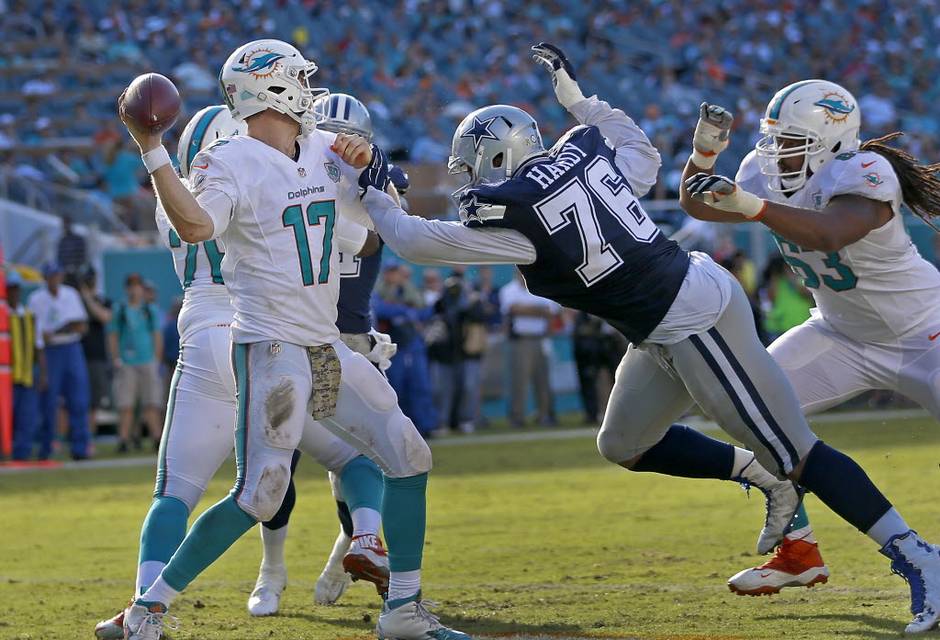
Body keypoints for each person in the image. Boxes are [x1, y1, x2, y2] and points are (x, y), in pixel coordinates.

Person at [358, 43, 940, 635]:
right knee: (626, 443)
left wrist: (371, 186)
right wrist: (585, 104)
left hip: (696, 315)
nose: (468, 176)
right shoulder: (587, 162)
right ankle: (767, 481)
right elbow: (639, 150)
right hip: (679, 321)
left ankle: (917, 556)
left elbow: (416, 241)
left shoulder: (516, 219)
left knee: (793, 450)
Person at [116, 40, 466, 640]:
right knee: (259, 494)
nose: (311, 91)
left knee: (409, 455)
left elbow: (384, 229)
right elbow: (198, 224)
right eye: (300, 80)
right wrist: (151, 150)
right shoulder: (228, 161)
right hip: (269, 346)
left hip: (323, 343)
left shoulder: (329, 149)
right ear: (272, 88)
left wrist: (374, 172)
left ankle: (403, 611)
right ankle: (147, 611)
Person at [95, 103, 389, 639]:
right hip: (265, 336)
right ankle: (368, 537)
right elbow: (364, 242)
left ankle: (144, 610)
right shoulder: (254, 178)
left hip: (203, 340)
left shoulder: (174, 197)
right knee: (356, 456)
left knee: (173, 494)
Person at [681, 79, 940, 614]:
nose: (778, 154)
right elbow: (700, 206)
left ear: (832, 138)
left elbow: (829, 234)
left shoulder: (866, 171)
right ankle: (798, 551)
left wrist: (750, 206)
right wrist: (703, 154)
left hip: (926, 332)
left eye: (792, 141)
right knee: (752, 418)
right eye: (774, 139)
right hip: (840, 334)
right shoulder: (759, 170)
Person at [249, 92, 402, 614]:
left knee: (355, 468)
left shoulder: (377, 184)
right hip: (291, 332)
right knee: (274, 463)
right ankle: (271, 570)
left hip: (349, 339)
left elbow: (393, 208)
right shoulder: (288, 175)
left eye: (348, 140)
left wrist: (370, 175)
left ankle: (344, 551)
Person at [27, 262, 90, 460]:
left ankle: (80, 448)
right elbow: (39, 336)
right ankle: (46, 448)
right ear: (45, 278)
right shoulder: (36, 299)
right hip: (50, 352)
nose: (55, 279)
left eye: (57, 275)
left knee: (78, 399)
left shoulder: (70, 294)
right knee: (48, 401)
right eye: (51, 276)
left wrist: (59, 329)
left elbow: (80, 326)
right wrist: (63, 328)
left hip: (71, 348)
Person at [107, 273, 164, 453]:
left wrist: (156, 359)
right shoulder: (120, 309)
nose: (134, 289)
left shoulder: (149, 310)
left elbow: (157, 336)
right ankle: (124, 440)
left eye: (137, 285)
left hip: (147, 361)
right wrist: (116, 358)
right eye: (131, 286)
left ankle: (157, 439)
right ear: (126, 289)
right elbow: (113, 335)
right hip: (127, 362)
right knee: (126, 404)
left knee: (152, 403)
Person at [499, 270, 559, 427]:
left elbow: (551, 312)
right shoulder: (508, 290)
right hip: (520, 340)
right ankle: (517, 417)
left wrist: (526, 309)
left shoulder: (541, 287)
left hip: (540, 338)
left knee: (543, 380)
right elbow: (513, 309)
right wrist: (539, 310)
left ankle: (545, 415)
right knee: (519, 381)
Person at [7, 269, 46, 461]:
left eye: (15, 289)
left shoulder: (29, 316)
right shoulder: (4, 315)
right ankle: (6, 453)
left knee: (27, 418)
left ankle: (21, 455)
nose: (13, 293)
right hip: (7, 377)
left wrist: (43, 374)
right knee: (7, 418)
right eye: (9, 289)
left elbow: (38, 346)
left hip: (27, 374)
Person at [77, 265, 112, 445]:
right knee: (77, 401)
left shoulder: (101, 300)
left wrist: (87, 297)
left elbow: (104, 316)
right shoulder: (75, 300)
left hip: (96, 357)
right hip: (79, 356)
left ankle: (88, 439)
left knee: (93, 403)